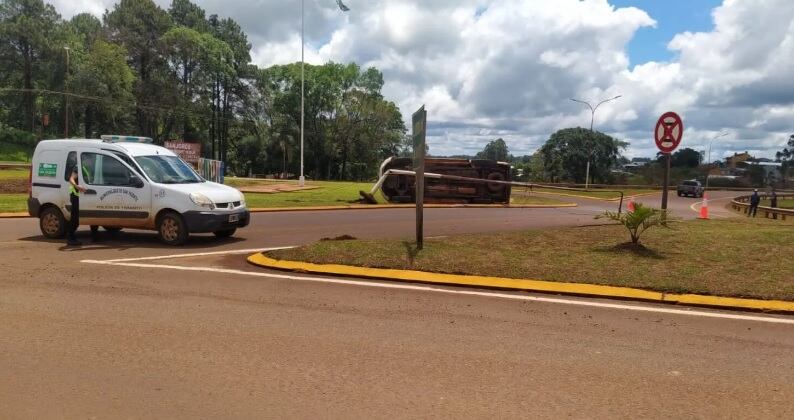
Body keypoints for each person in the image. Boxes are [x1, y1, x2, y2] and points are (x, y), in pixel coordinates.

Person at [67, 165, 86, 246]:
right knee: (75, 219)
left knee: (76, 218)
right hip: (76, 196)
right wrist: (77, 186)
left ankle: (95, 236)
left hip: (80, 196)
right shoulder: (78, 166)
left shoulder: (85, 166)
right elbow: (71, 178)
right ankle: (70, 238)